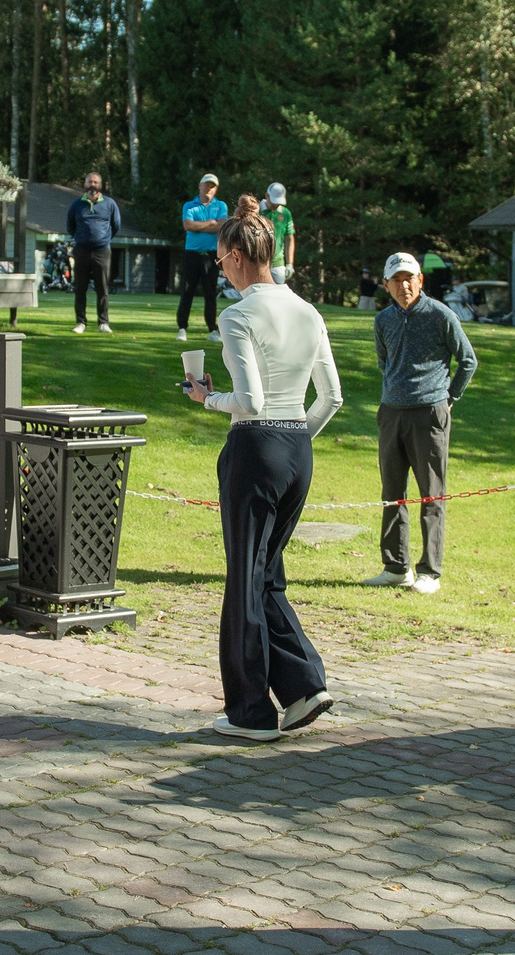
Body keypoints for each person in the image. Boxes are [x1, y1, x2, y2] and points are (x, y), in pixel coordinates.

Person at [181, 210, 342, 740]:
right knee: (266, 572)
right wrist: (294, 439)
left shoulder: (237, 317)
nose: (220, 268)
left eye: (222, 257)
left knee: (245, 577)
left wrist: (208, 399)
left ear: (239, 256)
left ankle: (250, 711)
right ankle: (303, 686)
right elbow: (333, 397)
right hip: (298, 446)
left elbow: (247, 400)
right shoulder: (309, 311)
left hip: (257, 445)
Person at [366, 252, 476, 596]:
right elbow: (385, 361)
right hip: (391, 412)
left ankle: (430, 571)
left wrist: (448, 398)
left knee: (431, 494)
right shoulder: (382, 320)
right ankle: (396, 567)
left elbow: (468, 361)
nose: (404, 285)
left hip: (430, 414)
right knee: (392, 494)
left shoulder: (442, 315)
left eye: (409, 278)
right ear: (386, 285)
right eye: (396, 280)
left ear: (420, 280)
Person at [65, 172, 120, 334]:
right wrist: (82, 239)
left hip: (102, 251)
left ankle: (103, 323)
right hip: (81, 251)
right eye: (90, 182)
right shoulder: (76, 205)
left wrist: (103, 239)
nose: (92, 185)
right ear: (85, 184)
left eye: (95, 182)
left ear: (100, 185)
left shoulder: (110, 204)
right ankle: (80, 323)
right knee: (80, 288)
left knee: (102, 288)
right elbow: (70, 227)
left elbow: (116, 225)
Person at [175, 172, 225, 341]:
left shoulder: (221, 206)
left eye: (212, 186)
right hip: (192, 254)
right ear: (200, 186)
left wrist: (201, 226)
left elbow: (220, 226)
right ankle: (182, 328)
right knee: (187, 291)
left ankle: (212, 329)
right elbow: (188, 225)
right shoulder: (190, 205)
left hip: (211, 255)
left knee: (210, 293)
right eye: (206, 185)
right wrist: (210, 223)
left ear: (215, 189)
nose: (209, 189)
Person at [263, 184, 297, 286]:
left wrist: (290, 263)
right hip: (258, 263)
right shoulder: (257, 210)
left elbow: (289, 239)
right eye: (274, 201)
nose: (276, 204)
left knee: (277, 298)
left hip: (278, 264)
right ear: (266, 196)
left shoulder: (285, 213)